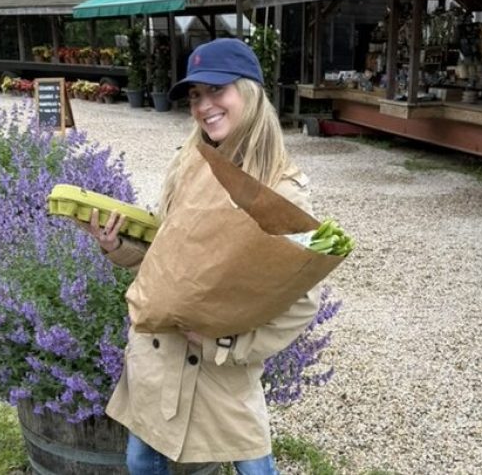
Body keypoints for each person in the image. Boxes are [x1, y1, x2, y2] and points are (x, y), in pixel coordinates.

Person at [81, 38, 319, 475]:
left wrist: (227, 343)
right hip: (159, 351)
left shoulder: (282, 189)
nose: (204, 105)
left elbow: (302, 301)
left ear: (248, 92)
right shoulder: (187, 164)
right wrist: (117, 246)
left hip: (221, 368)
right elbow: (166, 253)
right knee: (141, 460)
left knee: (254, 469)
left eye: (216, 90)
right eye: (195, 96)